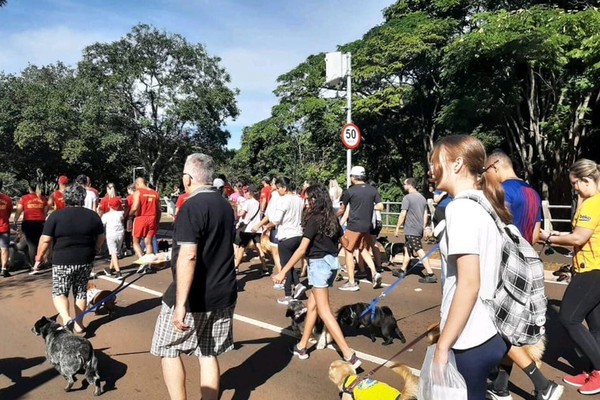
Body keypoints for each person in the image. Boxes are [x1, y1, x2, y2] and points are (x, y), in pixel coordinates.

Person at [150, 153, 236, 400]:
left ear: (188, 179)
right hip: (223, 291)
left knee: (168, 348)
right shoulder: (225, 205)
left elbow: (189, 255)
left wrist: (180, 305)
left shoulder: (191, 206)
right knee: (208, 353)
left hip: (196, 294)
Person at [429, 135, 509, 399]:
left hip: (469, 338)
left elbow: (469, 283)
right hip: (492, 332)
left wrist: (443, 345)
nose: (431, 169)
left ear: (457, 164)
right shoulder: (485, 203)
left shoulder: (459, 209)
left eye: (435, 161)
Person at [484, 150, 562, 399]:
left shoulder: (502, 192)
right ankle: (500, 386)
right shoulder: (533, 192)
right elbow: (536, 234)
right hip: (529, 265)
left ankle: (543, 385)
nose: (487, 178)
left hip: (506, 267)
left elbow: (493, 231)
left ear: (495, 167)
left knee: (499, 328)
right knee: (512, 328)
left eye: (486, 172)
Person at [272, 184, 361, 368]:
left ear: (315, 200)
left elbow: (302, 249)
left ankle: (349, 354)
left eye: (308, 199)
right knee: (312, 307)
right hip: (331, 265)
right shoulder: (331, 219)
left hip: (319, 266)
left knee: (324, 311)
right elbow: (347, 244)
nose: (306, 202)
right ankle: (302, 346)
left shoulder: (314, 220)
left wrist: (282, 271)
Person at [539, 159, 600, 396]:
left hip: (592, 270)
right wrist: (554, 234)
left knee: (568, 317)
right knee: (595, 325)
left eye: (575, 184)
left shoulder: (592, 205)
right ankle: (590, 369)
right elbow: (577, 234)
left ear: (586, 180)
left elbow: (577, 239)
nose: (574, 188)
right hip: (593, 267)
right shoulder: (592, 202)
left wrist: (548, 238)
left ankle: (599, 370)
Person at [31, 184, 105, 333]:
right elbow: (101, 237)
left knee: (60, 291)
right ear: (82, 198)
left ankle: (66, 318)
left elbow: (45, 240)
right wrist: (96, 249)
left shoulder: (56, 216)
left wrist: (38, 258)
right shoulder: (93, 216)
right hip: (85, 259)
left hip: (62, 260)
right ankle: (79, 324)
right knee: (80, 291)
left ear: (65, 199)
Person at [337, 166, 384, 291]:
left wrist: (332, 216)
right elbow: (380, 206)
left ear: (353, 177)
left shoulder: (350, 191)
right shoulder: (372, 190)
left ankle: (351, 282)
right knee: (362, 249)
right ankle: (374, 273)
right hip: (367, 226)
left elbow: (342, 209)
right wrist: (368, 208)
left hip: (353, 225)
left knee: (348, 251)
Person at [266, 177, 304, 305]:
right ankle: (298, 284)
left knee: (285, 267)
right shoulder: (300, 199)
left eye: (278, 188)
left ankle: (288, 294)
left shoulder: (283, 200)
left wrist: (267, 225)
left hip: (286, 236)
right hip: (299, 234)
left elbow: (276, 219)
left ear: (284, 187)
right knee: (290, 264)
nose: (278, 191)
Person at [394, 178, 437, 283]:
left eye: (404, 184)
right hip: (418, 228)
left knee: (419, 250)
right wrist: (423, 227)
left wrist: (397, 227)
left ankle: (430, 273)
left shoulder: (407, 198)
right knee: (407, 248)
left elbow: (403, 214)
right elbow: (425, 214)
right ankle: (402, 270)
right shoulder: (422, 198)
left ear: (409, 185)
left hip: (411, 229)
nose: (404, 186)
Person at [130, 177, 161, 274]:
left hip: (141, 218)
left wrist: (128, 215)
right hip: (152, 218)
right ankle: (148, 265)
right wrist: (157, 221)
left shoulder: (138, 192)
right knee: (149, 242)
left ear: (137, 184)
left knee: (135, 242)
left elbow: (135, 207)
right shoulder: (155, 193)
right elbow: (159, 210)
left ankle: (142, 261)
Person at [14, 181, 48, 269]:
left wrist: (15, 220)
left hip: (28, 223)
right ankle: (32, 260)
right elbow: (45, 213)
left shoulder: (24, 198)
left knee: (32, 244)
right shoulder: (43, 198)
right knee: (34, 242)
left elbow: (19, 210)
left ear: (29, 188)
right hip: (40, 223)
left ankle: (34, 264)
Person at [234, 185, 267, 274]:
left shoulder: (247, 202)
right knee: (259, 247)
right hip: (257, 229)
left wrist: (239, 210)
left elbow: (241, 214)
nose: (245, 193)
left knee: (241, 248)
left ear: (250, 193)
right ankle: (265, 267)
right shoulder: (258, 203)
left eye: (246, 192)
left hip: (248, 229)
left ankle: (236, 267)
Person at [101, 197, 125, 280]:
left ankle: (118, 272)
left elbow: (101, 224)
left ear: (108, 205)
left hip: (111, 235)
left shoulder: (106, 215)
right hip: (120, 234)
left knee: (113, 253)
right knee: (115, 252)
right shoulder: (121, 213)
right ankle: (110, 269)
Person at [0, 180, 13, 277]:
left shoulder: (7, 199)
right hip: (4, 226)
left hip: (4, 227)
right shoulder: (7, 199)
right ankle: (4, 268)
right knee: (4, 248)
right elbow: (9, 212)